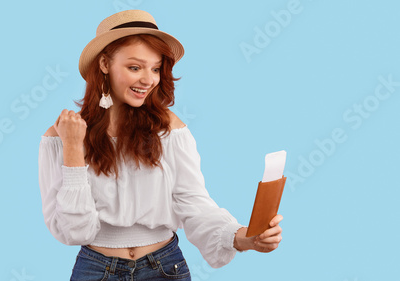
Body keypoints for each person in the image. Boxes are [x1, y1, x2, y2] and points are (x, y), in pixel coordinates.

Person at [38, 9, 283, 280]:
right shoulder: (61, 136)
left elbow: (194, 203)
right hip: (96, 270)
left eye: (155, 68)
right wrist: (73, 148)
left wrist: (242, 237)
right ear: (104, 64)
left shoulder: (169, 129)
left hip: (164, 268)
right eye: (135, 67)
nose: (148, 79)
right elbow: (75, 231)